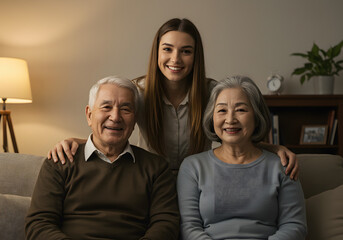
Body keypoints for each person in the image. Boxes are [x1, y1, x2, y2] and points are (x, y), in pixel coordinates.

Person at [47, 18, 299, 178]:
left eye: (185, 51)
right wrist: (73, 140)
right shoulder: (138, 92)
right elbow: (109, 133)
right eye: (167, 49)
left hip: (201, 178)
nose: (175, 59)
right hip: (150, 179)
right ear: (157, 52)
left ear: (195, 56)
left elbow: (237, 133)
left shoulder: (214, 93)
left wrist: (275, 148)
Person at [25, 76, 180, 240]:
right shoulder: (61, 160)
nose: (115, 117)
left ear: (135, 120)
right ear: (89, 115)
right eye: (106, 107)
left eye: (126, 109)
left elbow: (166, 224)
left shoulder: (156, 167)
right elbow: (38, 224)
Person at [177, 76, 307, 240]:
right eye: (222, 110)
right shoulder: (193, 167)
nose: (230, 120)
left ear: (256, 115)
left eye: (241, 110)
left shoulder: (281, 165)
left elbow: (295, 226)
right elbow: (189, 228)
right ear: (212, 117)